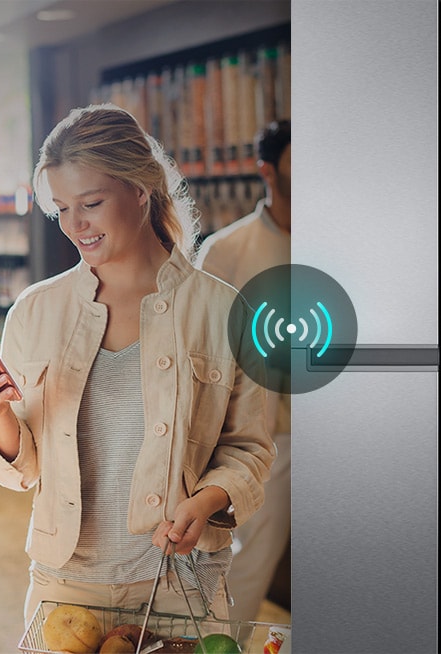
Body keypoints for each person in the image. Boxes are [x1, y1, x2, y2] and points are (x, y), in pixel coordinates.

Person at [0, 103, 275, 625]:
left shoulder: (223, 310)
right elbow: (24, 470)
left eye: (92, 203)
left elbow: (250, 450)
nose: (75, 226)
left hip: (180, 587)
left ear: (140, 189)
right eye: (61, 210)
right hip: (63, 586)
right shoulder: (35, 311)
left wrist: (206, 500)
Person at [195, 120, 291, 622]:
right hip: (267, 440)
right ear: (267, 171)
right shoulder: (227, 251)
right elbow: (201, 347)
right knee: (249, 563)